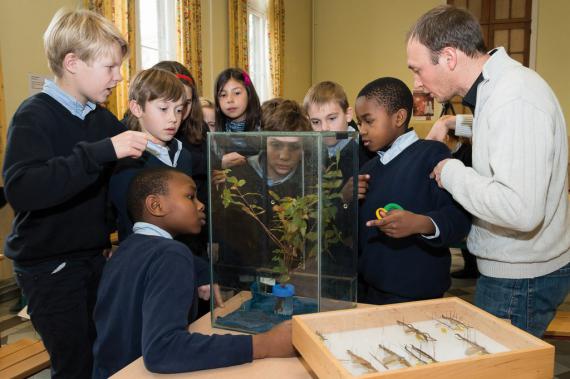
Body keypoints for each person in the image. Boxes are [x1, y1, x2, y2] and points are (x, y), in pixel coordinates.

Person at [1, 8, 154, 378]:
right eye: (110, 67)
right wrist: (102, 151)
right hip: (49, 267)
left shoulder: (102, 119)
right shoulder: (34, 114)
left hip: (93, 259)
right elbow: (22, 188)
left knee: (103, 352)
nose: (119, 77)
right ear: (72, 62)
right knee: (75, 364)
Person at [407, 5, 570, 337]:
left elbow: (520, 210)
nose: (417, 83)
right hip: (518, 269)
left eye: (418, 69)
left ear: (449, 58)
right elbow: (498, 129)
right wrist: (454, 123)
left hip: (520, 276)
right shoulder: (497, 88)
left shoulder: (514, 98)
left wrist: (451, 172)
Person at [93, 168, 294, 377]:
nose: (200, 205)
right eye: (190, 197)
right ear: (156, 205)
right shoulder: (170, 254)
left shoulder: (125, 249)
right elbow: (163, 351)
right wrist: (263, 344)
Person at [356, 77, 471, 305]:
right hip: (370, 289)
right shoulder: (369, 168)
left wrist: (420, 223)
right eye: (359, 123)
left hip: (417, 293)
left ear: (398, 117)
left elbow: (458, 219)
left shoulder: (432, 155)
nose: (362, 131)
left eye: (369, 122)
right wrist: (347, 197)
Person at [110, 68, 192, 242]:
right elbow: (129, 218)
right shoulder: (127, 160)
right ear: (137, 108)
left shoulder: (183, 155)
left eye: (178, 110)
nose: (173, 118)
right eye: (163, 108)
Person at [214, 68, 262, 168]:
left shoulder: (265, 126)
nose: (230, 100)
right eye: (223, 95)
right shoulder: (213, 130)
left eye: (237, 93)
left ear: (249, 94)